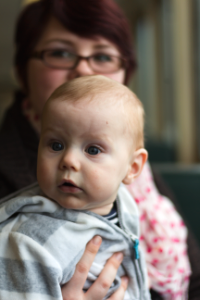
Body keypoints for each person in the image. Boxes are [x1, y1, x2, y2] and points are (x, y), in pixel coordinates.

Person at [0, 0, 197, 299]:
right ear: (21, 71)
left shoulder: (134, 178)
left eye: (103, 56)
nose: (82, 68)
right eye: (61, 53)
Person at [0, 75, 150, 300]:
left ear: (132, 168)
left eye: (93, 150)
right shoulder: (27, 244)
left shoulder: (124, 203)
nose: (68, 160)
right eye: (56, 145)